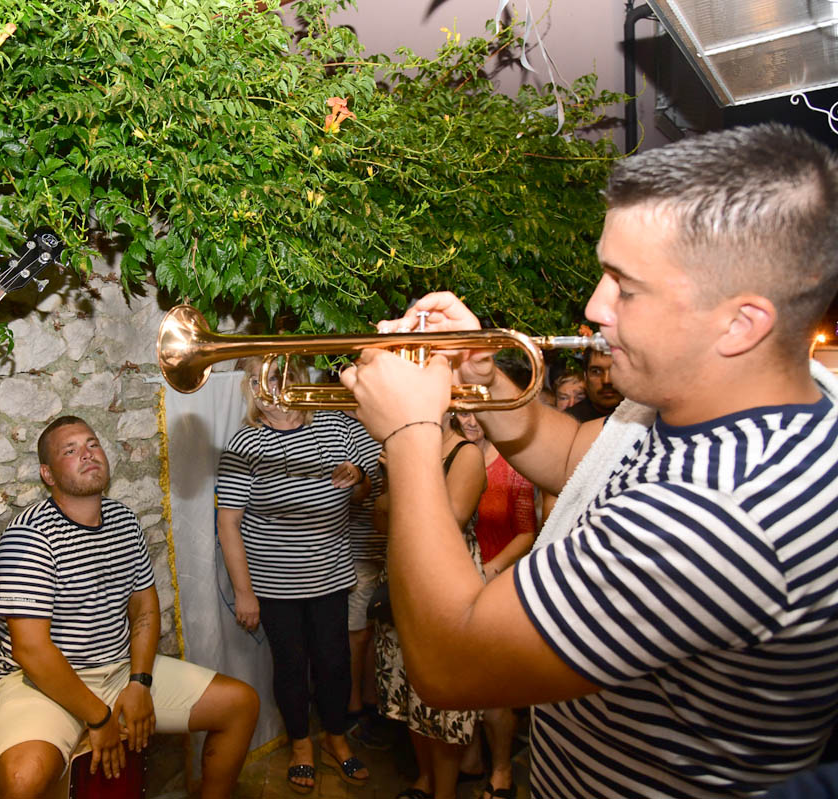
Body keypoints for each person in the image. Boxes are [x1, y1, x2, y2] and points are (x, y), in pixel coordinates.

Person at [338, 123, 838, 797]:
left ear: (740, 322)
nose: (594, 306)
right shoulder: (736, 393)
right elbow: (579, 454)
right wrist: (485, 379)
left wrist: (409, 433)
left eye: (626, 287)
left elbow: (450, 663)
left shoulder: (713, 517)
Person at [0, 416, 259, 799]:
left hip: (116, 670)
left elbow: (145, 609)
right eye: (70, 451)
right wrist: (99, 717)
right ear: (47, 475)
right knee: (22, 780)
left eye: (92, 444)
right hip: (41, 682)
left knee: (240, 704)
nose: (87, 454)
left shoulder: (123, 521)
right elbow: (31, 649)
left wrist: (139, 682)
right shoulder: (28, 536)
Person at [216, 358, 375, 794]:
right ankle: (301, 746)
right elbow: (229, 522)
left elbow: (371, 485)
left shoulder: (338, 427)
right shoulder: (243, 443)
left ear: (296, 379)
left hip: (330, 575)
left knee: (335, 663)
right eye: (259, 379)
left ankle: (335, 739)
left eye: (276, 376)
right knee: (290, 667)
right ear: (250, 388)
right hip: (274, 584)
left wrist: (358, 476)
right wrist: (244, 593)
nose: (268, 387)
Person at [373, 415, 485, 799]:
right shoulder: (399, 452)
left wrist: (403, 480)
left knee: (442, 702)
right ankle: (423, 777)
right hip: (404, 580)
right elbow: (380, 520)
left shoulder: (465, 454)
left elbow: (451, 519)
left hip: (446, 586)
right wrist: (396, 483)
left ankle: (445, 791)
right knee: (408, 690)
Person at [453, 412, 535, 799]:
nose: (469, 420)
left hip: (497, 584)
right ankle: (470, 760)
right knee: (463, 683)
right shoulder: (450, 456)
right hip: (456, 584)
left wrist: (490, 569)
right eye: (461, 412)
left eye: (476, 413)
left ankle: (502, 770)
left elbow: (526, 533)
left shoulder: (512, 465)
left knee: (494, 690)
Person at [340, 412, 388, 748]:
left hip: (391, 547)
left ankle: (373, 702)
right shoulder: (341, 428)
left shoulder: (385, 422)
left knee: (376, 631)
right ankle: (354, 705)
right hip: (358, 544)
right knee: (357, 632)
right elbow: (351, 494)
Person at [564, 349, 620, 421]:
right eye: (596, 371)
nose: (606, 381)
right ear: (585, 377)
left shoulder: (639, 419)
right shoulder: (569, 422)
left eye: (616, 370)